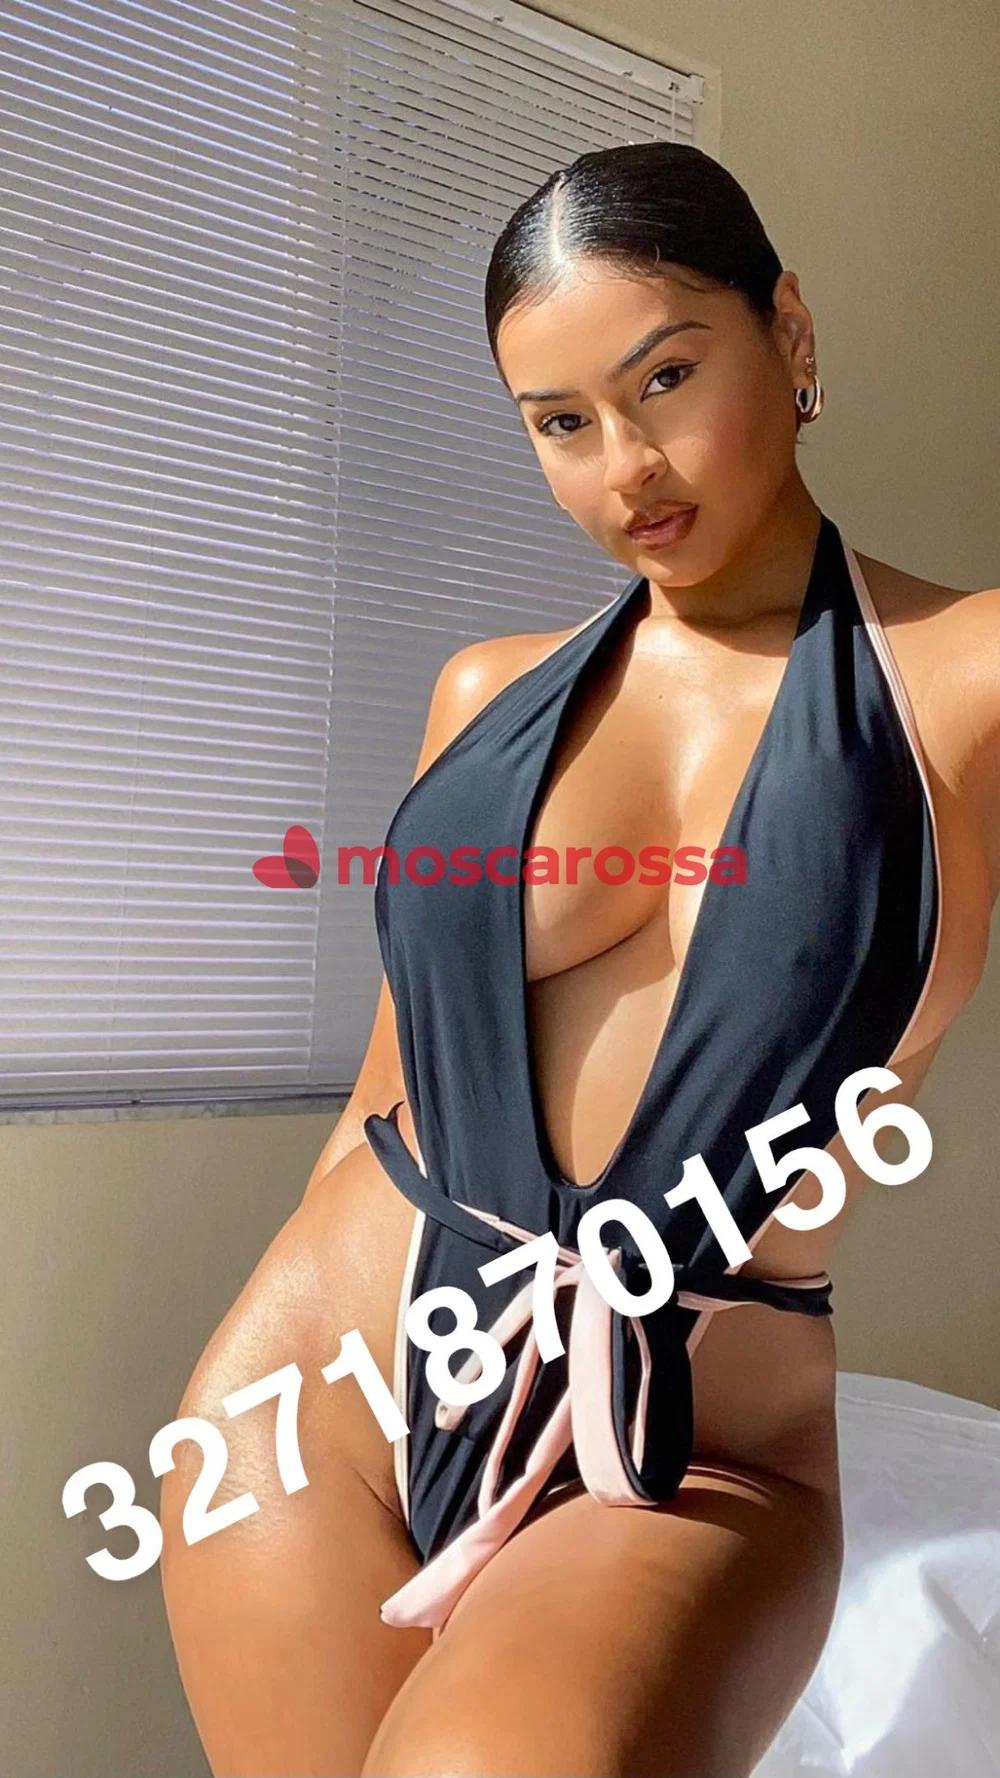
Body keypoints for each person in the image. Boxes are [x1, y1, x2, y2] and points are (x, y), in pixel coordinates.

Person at [159, 143, 999, 1777]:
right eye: (560, 422)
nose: (628, 467)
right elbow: (387, 1091)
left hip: (679, 1441)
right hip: (315, 1389)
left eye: (666, 377)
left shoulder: (963, 678)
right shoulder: (485, 692)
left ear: (790, 332)